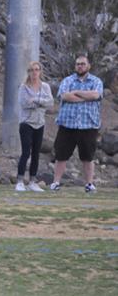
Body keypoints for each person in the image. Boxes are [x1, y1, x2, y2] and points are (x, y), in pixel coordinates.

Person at [51, 54, 103, 193]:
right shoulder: (67, 80)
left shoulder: (96, 81)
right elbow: (65, 96)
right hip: (67, 125)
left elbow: (96, 95)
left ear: (88, 66)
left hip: (88, 125)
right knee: (61, 155)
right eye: (78, 64)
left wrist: (77, 92)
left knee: (88, 157)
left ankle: (89, 184)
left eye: (83, 64)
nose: (80, 66)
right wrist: (85, 97)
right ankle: (56, 183)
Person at [16, 61, 53, 192]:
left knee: (36, 153)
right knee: (26, 152)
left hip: (40, 123)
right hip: (27, 123)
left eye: (37, 69)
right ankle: (20, 181)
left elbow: (50, 103)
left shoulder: (45, 87)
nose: (34, 72)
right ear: (28, 72)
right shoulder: (23, 87)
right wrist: (41, 103)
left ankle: (32, 181)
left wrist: (36, 100)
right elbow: (24, 104)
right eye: (31, 70)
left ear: (40, 71)